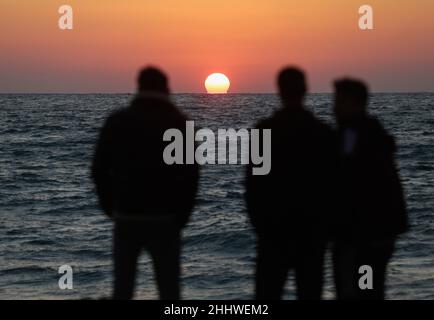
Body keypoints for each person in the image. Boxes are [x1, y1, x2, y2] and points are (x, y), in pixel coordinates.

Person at [92, 67, 199, 300]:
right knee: (170, 291)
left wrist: (111, 208)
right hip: (166, 218)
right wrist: (182, 215)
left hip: (127, 216)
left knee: (123, 289)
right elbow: (191, 177)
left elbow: (99, 169)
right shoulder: (181, 124)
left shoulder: (117, 121)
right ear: (166, 89)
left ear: (138, 86)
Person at [245, 67, 336, 300]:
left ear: (279, 91)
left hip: (274, 232)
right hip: (312, 233)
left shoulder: (264, 131)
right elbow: (334, 186)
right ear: (305, 90)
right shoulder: (323, 133)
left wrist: (260, 225)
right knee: (310, 293)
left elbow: (253, 185)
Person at [332, 79, 408, 300]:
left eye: (338, 101)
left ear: (352, 102)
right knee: (370, 289)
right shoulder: (374, 132)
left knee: (356, 290)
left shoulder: (351, 135)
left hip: (361, 236)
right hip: (381, 233)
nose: (334, 107)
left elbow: (345, 176)